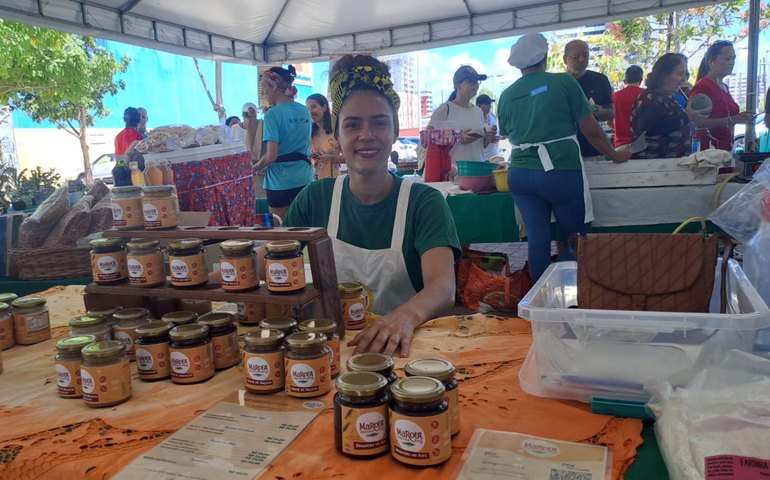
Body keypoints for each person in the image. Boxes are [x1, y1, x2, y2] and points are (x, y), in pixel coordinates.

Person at [282, 54, 461, 357]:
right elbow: (271, 259)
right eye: (352, 124)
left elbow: (442, 286)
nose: (367, 135)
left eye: (379, 122)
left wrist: (405, 317)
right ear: (337, 135)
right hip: (329, 351)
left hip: (405, 352)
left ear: (394, 131)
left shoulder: (423, 202)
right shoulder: (315, 199)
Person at [499, 33, 631, 283]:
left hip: (519, 173)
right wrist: (614, 154)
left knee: (537, 239)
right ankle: (565, 288)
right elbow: (591, 128)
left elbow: (505, 133)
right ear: (546, 57)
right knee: (577, 239)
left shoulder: (506, 95)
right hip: (560, 169)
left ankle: (539, 296)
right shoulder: (564, 82)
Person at [252, 66, 315, 220]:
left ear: (274, 87)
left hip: (279, 183)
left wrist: (255, 167)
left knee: (282, 232)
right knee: (308, 228)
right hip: (305, 178)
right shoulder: (304, 110)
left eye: (264, 87)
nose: (264, 93)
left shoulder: (272, 114)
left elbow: (271, 156)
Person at [689, 40, 754, 151]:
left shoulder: (724, 86)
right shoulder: (703, 86)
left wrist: (741, 118)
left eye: (733, 58)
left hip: (726, 148)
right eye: (727, 58)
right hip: (709, 150)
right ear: (711, 62)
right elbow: (696, 122)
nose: (731, 62)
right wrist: (732, 120)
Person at [630, 54, 697, 159]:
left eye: (685, 74)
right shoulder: (650, 98)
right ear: (664, 76)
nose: (684, 79)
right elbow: (649, 128)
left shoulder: (670, 98)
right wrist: (686, 117)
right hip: (654, 164)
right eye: (680, 74)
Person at [428, 65, 496, 169]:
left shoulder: (478, 111)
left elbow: (481, 146)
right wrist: (457, 138)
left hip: (477, 172)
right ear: (458, 85)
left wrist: (488, 136)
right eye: (471, 82)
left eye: (477, 82)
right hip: (453, 175)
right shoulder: (445, 109)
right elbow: (427, 140)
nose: (476, 85)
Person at [563, 39, 615, 160]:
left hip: (593, 149)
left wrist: (600, 111)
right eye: (576, 56)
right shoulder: (558, 83)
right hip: (565, 150)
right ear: (565, 59)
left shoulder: (600, 80)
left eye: (585, 55)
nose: (581, 60)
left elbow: (611, 112)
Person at [306, 93, 344, 179]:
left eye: (314, 107)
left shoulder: (337, 132)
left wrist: (331, 158)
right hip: (311, 182)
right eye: (308, 109)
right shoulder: (309, 133)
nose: (311, 111)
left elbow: (349, 158)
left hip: (332, 183)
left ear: (324, 107)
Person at [610, 65, 644, 148]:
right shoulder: (646, 95)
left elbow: (609, 121)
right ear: (641, 80)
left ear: (625, 81)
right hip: (641, 143)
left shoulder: (615, 96)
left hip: (620, 143)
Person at [475, 94, 503, 161]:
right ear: (479, 106)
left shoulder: (492, 116)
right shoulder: (475, 120)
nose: (490, 106)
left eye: (490, 104)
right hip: (483, 158)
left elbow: (498, 133)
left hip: (495, 157)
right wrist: (488, 139)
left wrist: (500, 136)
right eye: (487, 104)